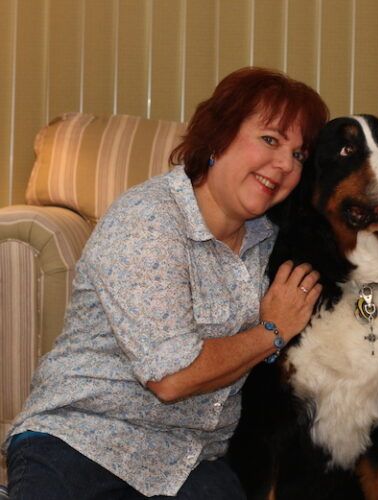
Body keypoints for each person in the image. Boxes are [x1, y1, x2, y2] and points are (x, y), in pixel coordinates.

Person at [3, 67, 329, 499]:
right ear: (219, 136)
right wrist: (271, 332)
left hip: (190, 463)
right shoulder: (149, 219)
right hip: (84, 442)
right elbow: (170, 376)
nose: (286, 164)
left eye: (300, 155)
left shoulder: (273, 239)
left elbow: (355, 278)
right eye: (270, 140)